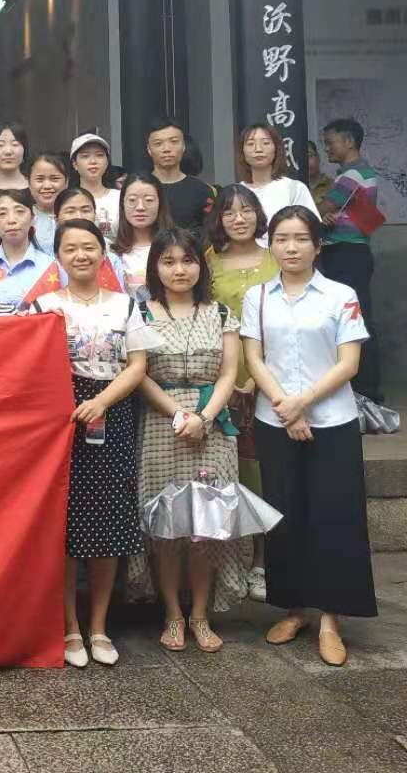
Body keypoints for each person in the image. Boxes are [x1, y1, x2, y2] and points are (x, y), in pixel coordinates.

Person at [242, 205, 375, 667]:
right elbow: (255, 359)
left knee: (334, 516)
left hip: (332, 421)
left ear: (318, 246)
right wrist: (286, 406)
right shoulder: (258, 297)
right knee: (285, 514)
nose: (291, 247)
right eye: (282, 239)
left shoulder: (340, 295)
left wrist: (303, 403)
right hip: (275, 419)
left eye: (301, 238)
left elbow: (349, 363)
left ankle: (331, 619)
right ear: (271, 245)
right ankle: (294, 609)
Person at [28, 219, 160, 669]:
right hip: (60, 418)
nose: (80, 255)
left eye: (89, 247)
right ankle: (69, 627)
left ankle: (99, 626)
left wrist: (101, 401)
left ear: (103, 253)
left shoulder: (125, 305)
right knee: (64, 524)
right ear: (58, 257)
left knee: (108, 521)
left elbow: (137, 365)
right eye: (70, 248)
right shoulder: (44, 307)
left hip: (113, 413)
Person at [130, 228, 250, 654]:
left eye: (187, 260)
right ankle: (172, 615)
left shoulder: (221, 314)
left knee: (205, 528)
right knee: (165, 528)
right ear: (155, 268)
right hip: (160, 425)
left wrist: (204, 417)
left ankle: (200, 615)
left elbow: (228, 373)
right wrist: (179, 415)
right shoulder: (140, 314)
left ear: (201, 265)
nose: (178, 270)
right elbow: (139, 373)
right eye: (168, 261)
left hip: (211, 427)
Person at [204, 184, 277, 601]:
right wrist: (226, 379)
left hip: (274, 376)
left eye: (247, 210)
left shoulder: (277, 257)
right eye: (230, 212)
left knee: (266, 470)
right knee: (235, 469)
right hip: (224, 379)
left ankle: (263, 562)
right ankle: (228, 562)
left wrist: (258, 379)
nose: (239, 218)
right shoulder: (207, 262)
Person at [317, 119, 384, 403]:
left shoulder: (352, 175)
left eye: (330, 143)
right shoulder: (356, 173)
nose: (327, 149)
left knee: (355, 319)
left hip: (347, 254)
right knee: (353, 318)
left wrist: (322, 213)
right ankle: (361, 388)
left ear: (349, 142)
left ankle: (366, 390)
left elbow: (320, 209)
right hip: (350, 253)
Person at [237, 122, 316, 243]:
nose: (258, 149)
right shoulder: (236, 192)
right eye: (251, 144)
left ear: (276, 148)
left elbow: (312, 229)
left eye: (266, 143)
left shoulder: (294, 188)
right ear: (242, 151)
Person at [0, 189, 54, 304]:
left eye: (19, 211)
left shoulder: (51, 266)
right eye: (2, 214)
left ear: (32, 219)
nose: (11, 220)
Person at [146, 117, 216, 230]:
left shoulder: (202, 190)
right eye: (158, 143)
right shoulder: (138, 188)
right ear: (149, 149)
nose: (166, 149)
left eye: (174, 142)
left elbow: (211, 232)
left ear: (183, 146)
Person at [111, 174, 172, 301]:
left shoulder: (176, 246)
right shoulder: (110, 252)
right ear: (122, 204)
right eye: (132, 200)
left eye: (149, 200)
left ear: (160, 203)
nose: (140, 207)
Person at [70, 133, 119, 238]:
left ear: (107, 162)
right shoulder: (67, 199)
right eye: (85, 156)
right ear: (75, 164)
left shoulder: (120, 197)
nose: (93, 161)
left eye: (99, 155)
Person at [28, 152, 71, 248]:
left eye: (54, 179)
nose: (47, 186)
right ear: (29, 183)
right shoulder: (23, 218)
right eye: (39, 179)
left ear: (66, 182)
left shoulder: (78, 215)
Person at [0, 121, 31, 201]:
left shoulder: (36, 190)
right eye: (0, 145)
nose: (8, 151)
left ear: (24, 149)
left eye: (15, 144)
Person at [305, 140, 333, 210]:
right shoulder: (296, 188)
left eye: (309, 156)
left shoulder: (333, 185)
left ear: (318, 157)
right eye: (302, 157)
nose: (307, 161)